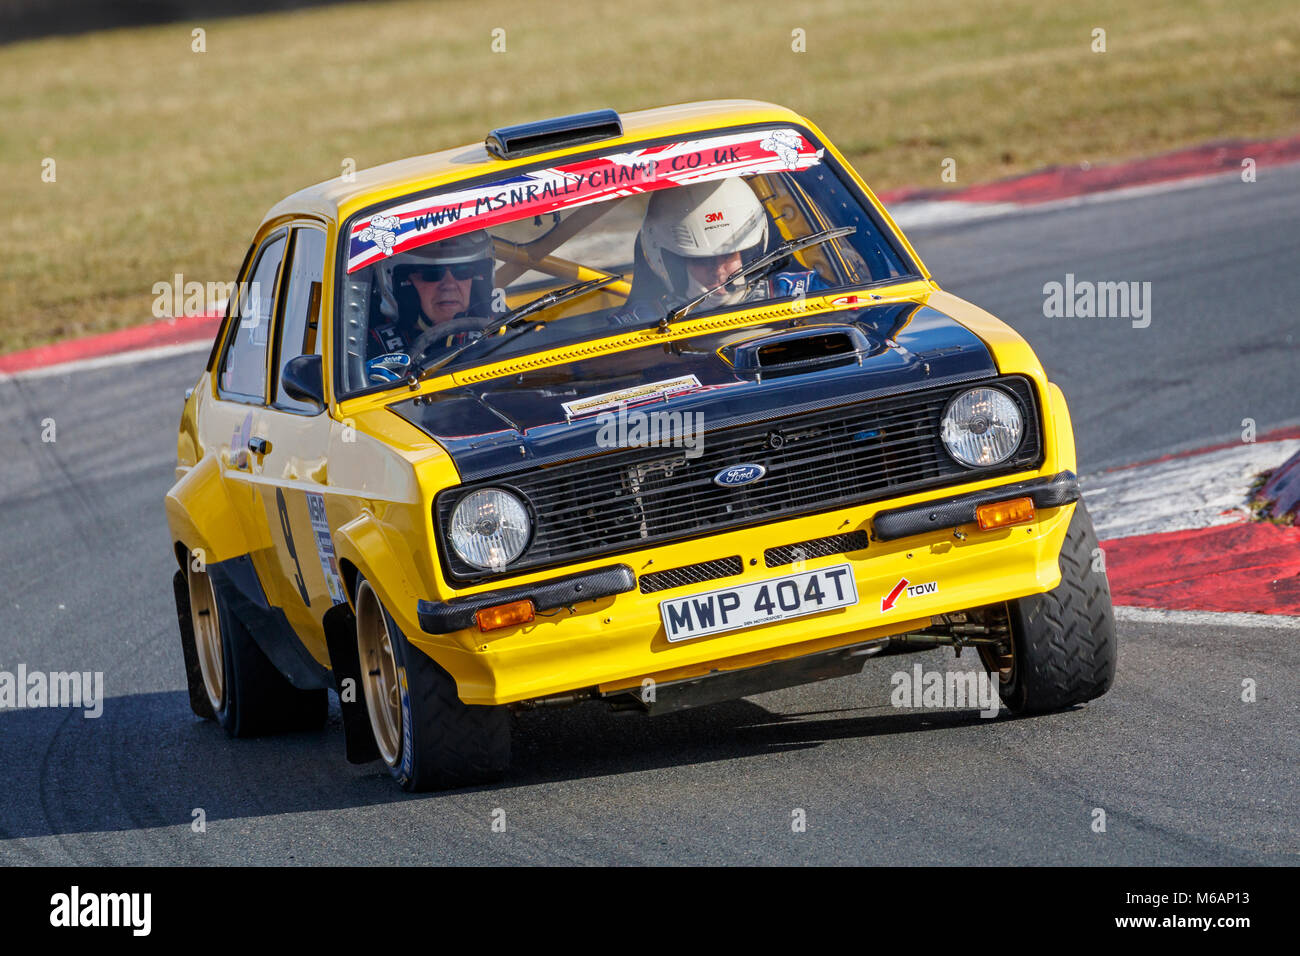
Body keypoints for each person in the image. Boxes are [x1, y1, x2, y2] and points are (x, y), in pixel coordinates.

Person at [618, 177, 831, 322]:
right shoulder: (642, 321)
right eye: (702, 260)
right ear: (668, 261)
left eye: (729, 255)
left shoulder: (796, 292)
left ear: (749, 252)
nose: (719, 271)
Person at [365, 230, 495, 382]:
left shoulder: (501, 328)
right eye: (432, 274)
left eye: (463, 271)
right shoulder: (370, 348)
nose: (449, 285)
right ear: (402, 285)